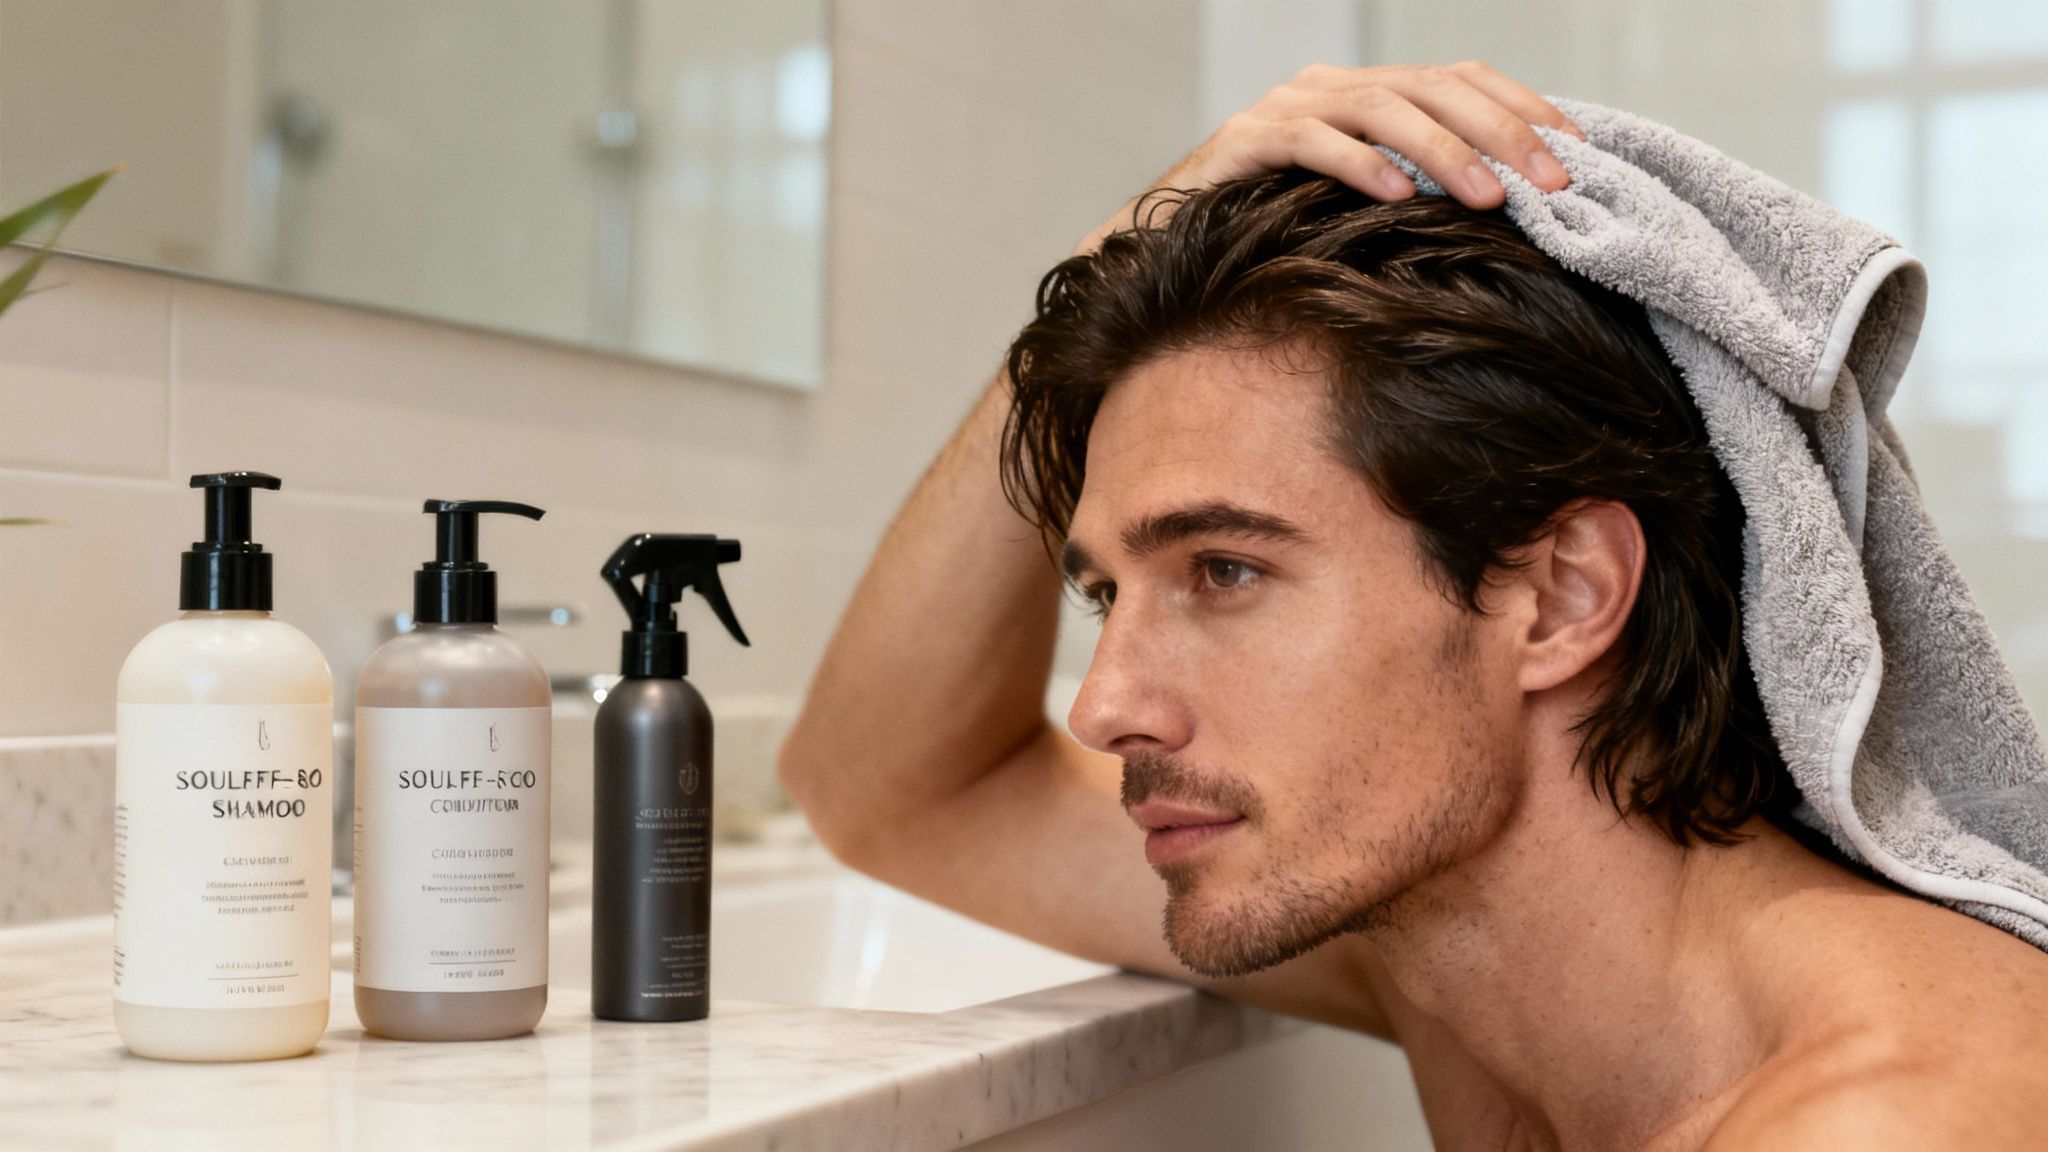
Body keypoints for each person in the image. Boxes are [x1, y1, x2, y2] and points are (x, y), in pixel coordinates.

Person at [778, 62, 2048, 1150]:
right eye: (1107, 591)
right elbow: (892, 787)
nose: (1107, 704)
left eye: (1223, 570)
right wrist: (1119, 255)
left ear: (1560, 596)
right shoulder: (1454, 949)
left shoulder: (1894, 1117)